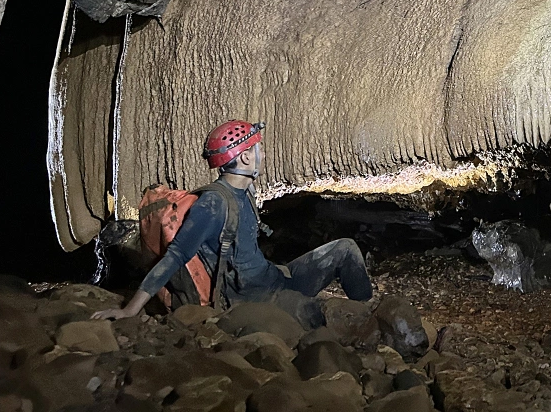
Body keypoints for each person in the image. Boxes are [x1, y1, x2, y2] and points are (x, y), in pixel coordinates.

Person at [93, 120, 372, 320]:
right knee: (323, 317)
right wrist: (131, 309)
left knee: (345, 248)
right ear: (247, 156)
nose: (261, 154)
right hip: (253, 297)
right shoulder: (214, 204)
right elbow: (175, 256)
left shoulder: (244, 191)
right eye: (257, 149)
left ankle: (370, 312)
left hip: (275, 278)